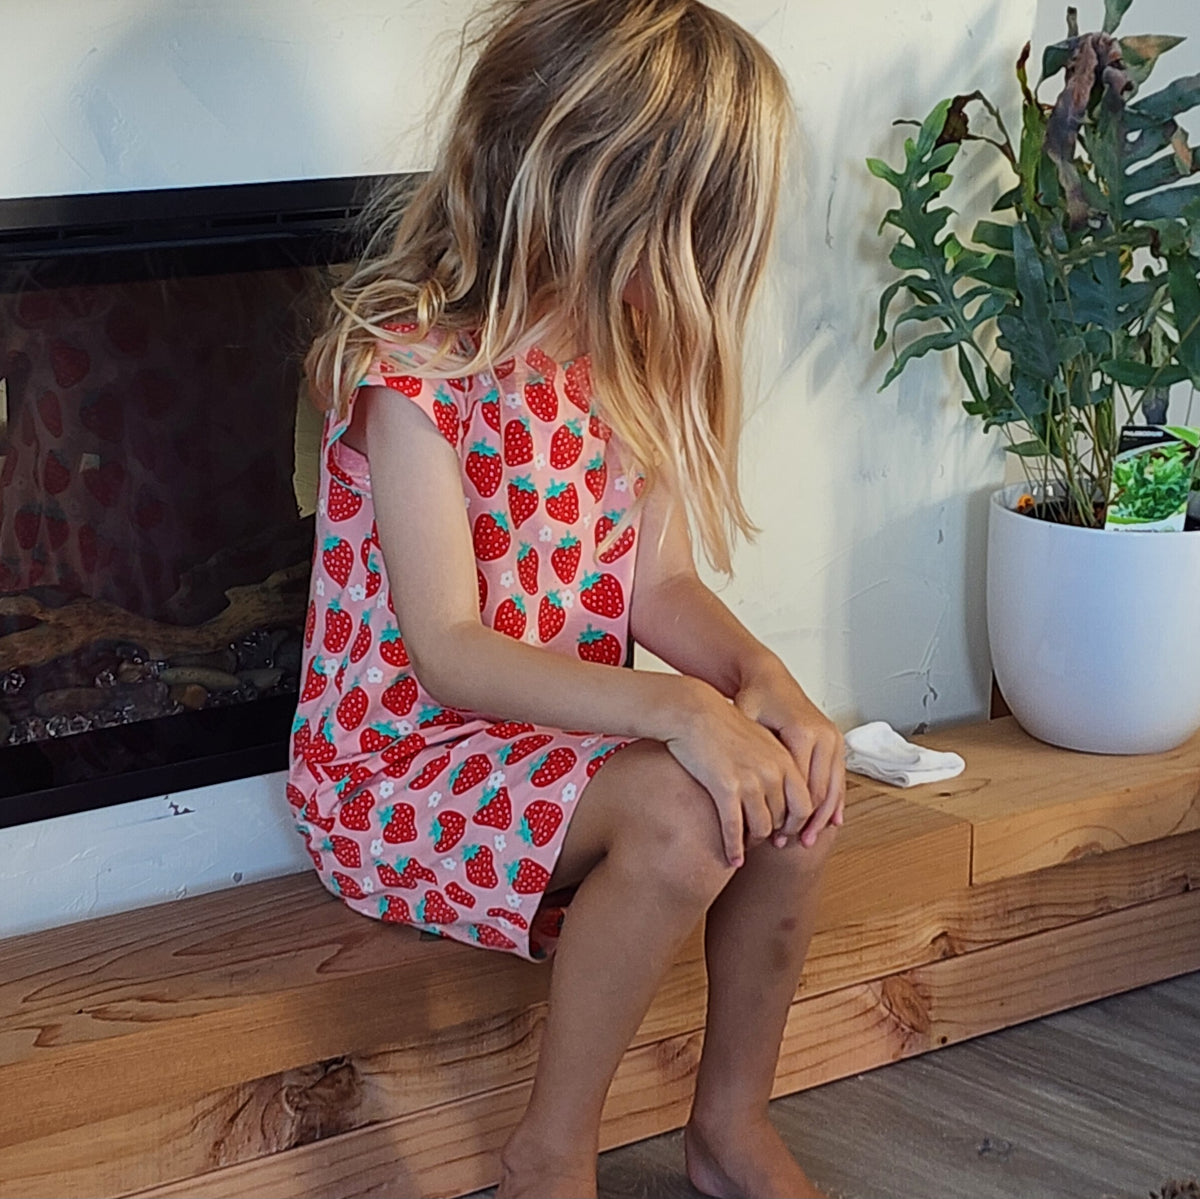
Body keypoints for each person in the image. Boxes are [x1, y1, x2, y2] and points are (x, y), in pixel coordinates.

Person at [289, 2, 845, 1196]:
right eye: (691, 224)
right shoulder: (412, 372)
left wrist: (761, 682)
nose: (700, 266)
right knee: (685, 812)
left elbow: (660, 582)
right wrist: (679, 711)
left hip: (551, 744)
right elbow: (448, 648)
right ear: (589, 186)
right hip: (397, 771)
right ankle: (549, 1151)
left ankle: (730, 1124)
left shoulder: (630, 360)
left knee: (791, 790)